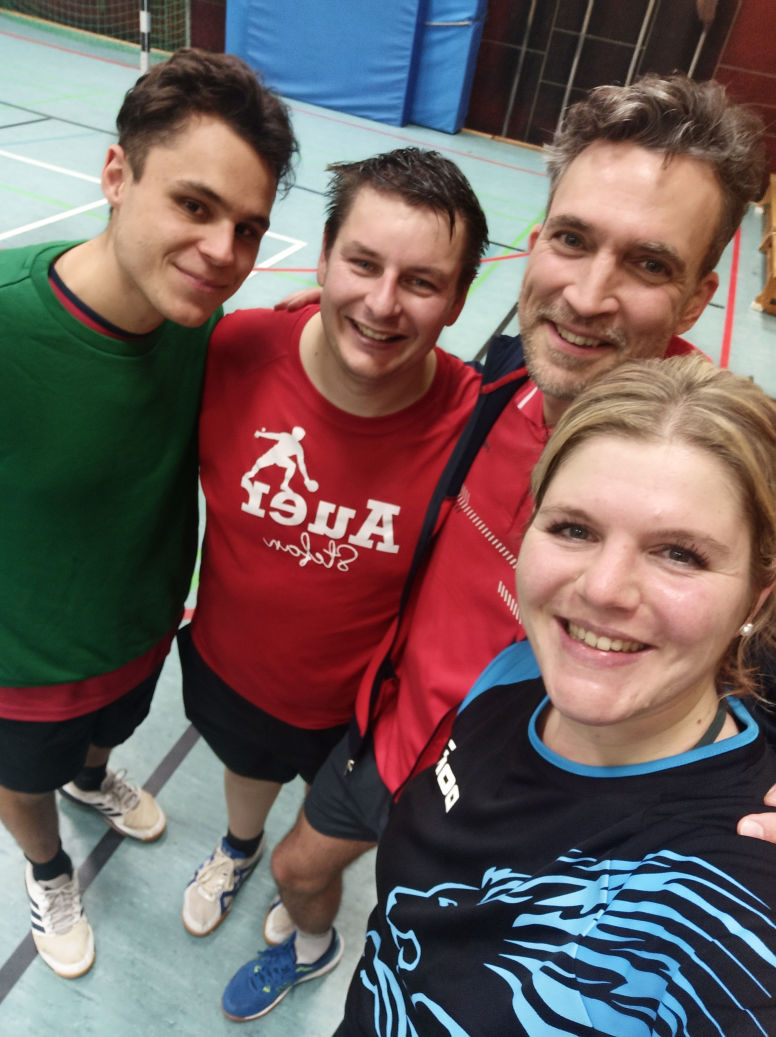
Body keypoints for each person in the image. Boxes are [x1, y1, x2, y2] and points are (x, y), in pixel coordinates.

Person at [251, 73, 776, 1011]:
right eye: (573, 239)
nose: (588, 295)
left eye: (648, 264)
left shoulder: (720, 471)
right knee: (299, 870)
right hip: (400, 737)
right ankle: (314, 945)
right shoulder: (500, 379)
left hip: (537, 817)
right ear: (538, 242)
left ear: (699, 297)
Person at [335, 354, 776, 1036]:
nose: (603, 588)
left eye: (679, 553)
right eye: (574, 528)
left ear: (757, 597)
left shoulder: (735, 898)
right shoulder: (514, 676)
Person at [0, 48, 297, 979]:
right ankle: (47, 867)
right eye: (194, 205)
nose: (223, 253)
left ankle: (92, 778)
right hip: (20, 664)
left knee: (102, 739)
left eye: (248, 228)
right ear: (117, 175)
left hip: (141, 631)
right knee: (21, 778)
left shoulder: (203, 331)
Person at [176, 148, 490, 1014]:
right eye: (362, 263)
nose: (383, 303)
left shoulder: (477, 423)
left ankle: (297, 889)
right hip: (233, 666)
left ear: (460, 298)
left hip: (359, 712)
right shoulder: (235, 349)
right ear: (322, 258)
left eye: (421, 281)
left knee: (316, 838)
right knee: (246, 771)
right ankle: (238, 847)